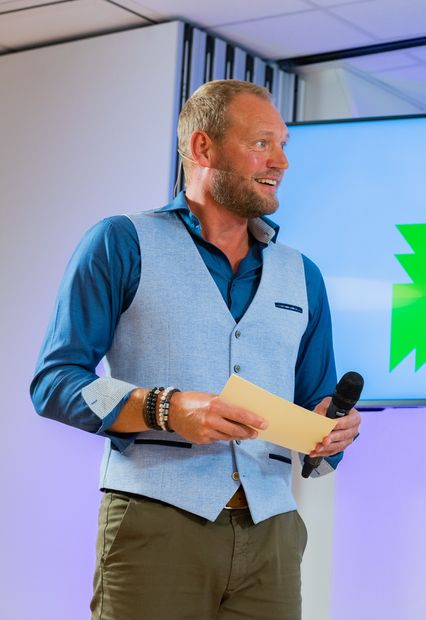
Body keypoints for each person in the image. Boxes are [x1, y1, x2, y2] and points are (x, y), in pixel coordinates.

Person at [29, 79, 360, 619]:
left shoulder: (303, 275)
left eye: (283, 145)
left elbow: (317, 404)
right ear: (204, 148)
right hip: (155, 523)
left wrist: (333, 431)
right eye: (261, 144)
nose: (280, 162)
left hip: (271, 535)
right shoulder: (121, 242)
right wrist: (167, 408)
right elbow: (55, 382)